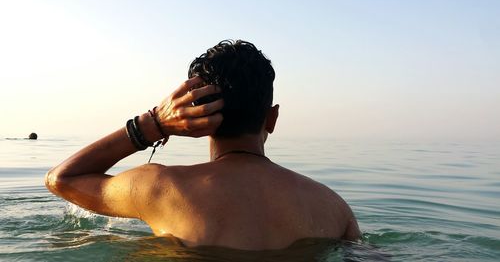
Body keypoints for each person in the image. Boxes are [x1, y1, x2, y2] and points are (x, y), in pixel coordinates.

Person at [45, 40, 361, 250]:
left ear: (193, 115)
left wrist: (152, 123)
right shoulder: (333, 208)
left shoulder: (159, 188)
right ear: (272, 118)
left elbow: (62, 179)